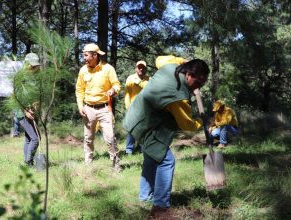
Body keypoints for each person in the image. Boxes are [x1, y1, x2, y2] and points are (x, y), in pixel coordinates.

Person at [123, 56, 209, 218]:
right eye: (197, 83)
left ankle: (145, 197)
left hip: (135, 116)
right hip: (145, 125)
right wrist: (200, 121)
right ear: (189, 75)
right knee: (166, 160)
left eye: (201, 85)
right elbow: (186, 124)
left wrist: (181, 60)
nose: (197, 88)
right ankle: (160, 207)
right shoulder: (179, 95)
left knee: (151, 157)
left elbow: (158, 59)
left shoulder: (170, 66)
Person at [75, 43, 121, 167]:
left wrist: (113, 90)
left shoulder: (108, 68)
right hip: (88, 109)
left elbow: (117, 84)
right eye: (83, 55)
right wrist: (80, 106)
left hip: (105, 109)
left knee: (110, 138)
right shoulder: (83, 70)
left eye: (86, 55)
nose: (84, 58)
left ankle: (116, 164)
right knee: (88, 138)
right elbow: (79, 90)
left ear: (95, 55)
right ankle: (88, 164)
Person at [12, 53, 41, 166]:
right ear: (26, 64)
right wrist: (26, 111)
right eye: (32, 66)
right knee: (35, 139)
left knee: (29, 139)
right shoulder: (20, 76)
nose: (34, 68)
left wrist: (35, 106)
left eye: (36, 66)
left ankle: (27, 163)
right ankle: (29, 162)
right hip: (22, 113)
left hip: (32, 111)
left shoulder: (34, 76)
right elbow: (18, 97)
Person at [124, 60, 150, 154]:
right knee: (132, 130)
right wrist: (128, 108)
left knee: (143, 130)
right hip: (133, 109)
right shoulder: (130, 78)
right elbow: (127, 94)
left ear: (146, 68)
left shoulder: (149, 79)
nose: (141, 69)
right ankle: (129, 150)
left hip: (145, 109)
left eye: (143, 67)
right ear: (136, 68)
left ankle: (142, 150)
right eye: (139, 67)